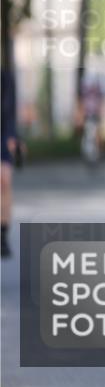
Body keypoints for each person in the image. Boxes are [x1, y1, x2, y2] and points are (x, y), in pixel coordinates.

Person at [1, 65, 19, 258]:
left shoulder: (6, 78)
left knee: (4, 180)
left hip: (2, 135)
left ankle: (3, 235)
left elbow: (11, 113)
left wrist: (14, 137)